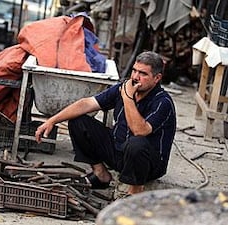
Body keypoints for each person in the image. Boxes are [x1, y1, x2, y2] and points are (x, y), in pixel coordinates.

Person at [35, 51, 176, 198]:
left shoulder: (163, 102)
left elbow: (140, 131)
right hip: (119, 152)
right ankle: (100, 174)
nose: (135, 77)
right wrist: (52, 121)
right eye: (134, 70)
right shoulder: (123, 88)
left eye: (143, 74)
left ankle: (134, 192)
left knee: (136, 142)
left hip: (147, 164)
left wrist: (127, 98)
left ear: (157, 78)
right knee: (78, 121)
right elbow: (86, 104)